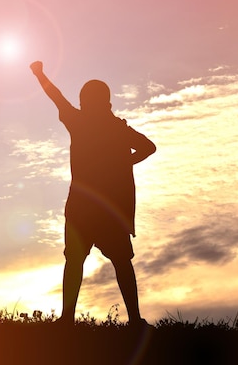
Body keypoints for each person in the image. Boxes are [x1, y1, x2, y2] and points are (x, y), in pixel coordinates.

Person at [29, 61, 156, 327]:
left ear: (86, 100)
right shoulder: (118, 129)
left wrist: (39, 74)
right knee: (120, 262)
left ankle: (67, 320)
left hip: (83, 208)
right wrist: (125, 162)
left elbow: (56, 98)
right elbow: (148, 147)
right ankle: (133, 319)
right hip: (107, 209)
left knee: (76, 261)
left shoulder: (79, 122)